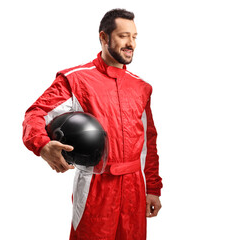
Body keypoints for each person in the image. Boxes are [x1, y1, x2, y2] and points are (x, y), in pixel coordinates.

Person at [22, 8, 162, 240]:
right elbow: (36, 114)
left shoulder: (141, 88)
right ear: (104, 37)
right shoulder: (76, 79)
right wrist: (43, 145)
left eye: (134, 37)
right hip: (96, 188)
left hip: (134, 189)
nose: (131, 44)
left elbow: (148, 143)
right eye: (123, 36)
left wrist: (153, 189)